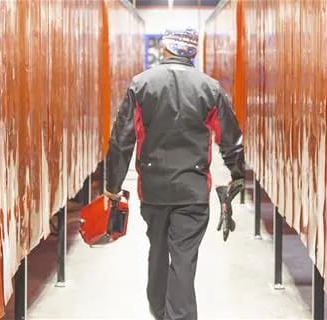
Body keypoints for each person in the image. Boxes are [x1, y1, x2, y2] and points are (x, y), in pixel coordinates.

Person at [102, 28, 245, 320]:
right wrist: (237, 172)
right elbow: (230, 138)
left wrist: (113, 185)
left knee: (157, 251)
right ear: (191, 52)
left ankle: (159, 311)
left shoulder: (141, 85)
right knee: (183, 259)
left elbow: (122, 139)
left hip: (154, 189)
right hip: (193, 190)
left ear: (166, 49)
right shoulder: (210, 88)